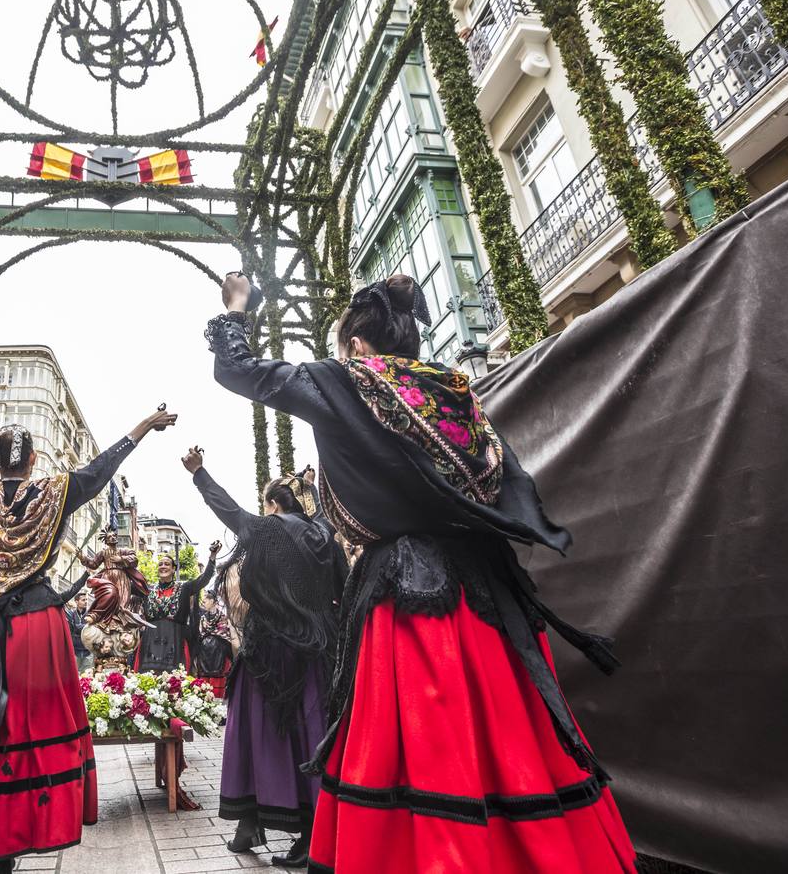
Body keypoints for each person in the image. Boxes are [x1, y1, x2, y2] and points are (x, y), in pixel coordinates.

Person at [205, 273, 636, 872]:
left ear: (357, 346)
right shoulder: (455, 390)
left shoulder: (347, 382)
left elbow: (240, 370)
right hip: (490, 598)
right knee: (514, 746)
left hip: (411, 598)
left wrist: (235, 307)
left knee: (426, 752)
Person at [0, 399, 177, 874]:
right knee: (37, 720)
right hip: (36, 623)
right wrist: (143, 427)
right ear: (33, 460)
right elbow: (100, 469)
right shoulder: (55, 491)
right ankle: (31, 819)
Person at [183, 449, 342, 868]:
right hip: (318, 651)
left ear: (273, 504)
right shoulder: (325, 535)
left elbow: (227, 508)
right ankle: (304, 830)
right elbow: (343, 589)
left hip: (269, 652)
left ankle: (257, 822)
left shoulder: (264, 529)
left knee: (253, 732)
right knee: (313, 732)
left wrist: (200, 472)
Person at [135, 548, 216, 673]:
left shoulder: (184, 588)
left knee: (175, 683)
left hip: (175, 640)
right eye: (160, 564)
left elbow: (203, 579)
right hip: (150, 643)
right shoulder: (148, 590)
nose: (163, 566)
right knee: (146, 682)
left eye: (167, 564)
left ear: (173, 569)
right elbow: (125, 584)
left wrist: (212, 556)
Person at [192, 591, 234, 697]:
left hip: (219, 655)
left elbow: (225, 636)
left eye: (205, 600)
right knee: (204, 689)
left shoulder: (223, 618)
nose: (203, 602)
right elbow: (200, 636)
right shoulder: (203, 618)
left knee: (217, 689)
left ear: (213, 601)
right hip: (204, 655)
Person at [66, 591, 91, 671]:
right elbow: (71, 629)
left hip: (88, 651)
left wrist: (77, 627)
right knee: (75, 675)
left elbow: (92, 628)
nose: (86, 602)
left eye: (86, 599)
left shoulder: (91, 614)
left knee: (88, 676)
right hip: (75, 651)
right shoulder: (71, 614)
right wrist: (86, 626)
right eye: (83, 600)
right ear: (76, 601)